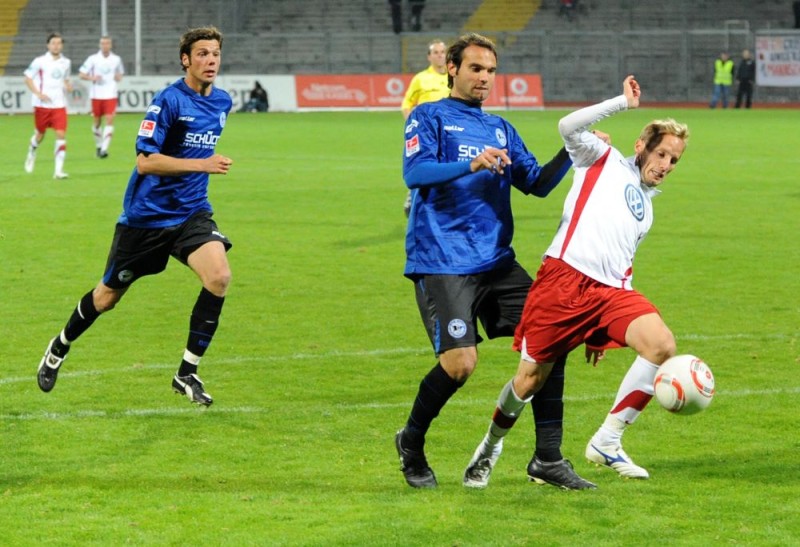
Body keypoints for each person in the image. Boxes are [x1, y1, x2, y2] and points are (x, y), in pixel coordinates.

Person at [464, 75, 690, 489]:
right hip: (563, 282)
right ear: (640, 146)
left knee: (662, 345)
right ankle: (491, 445)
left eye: (674, 160)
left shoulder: (646, 206)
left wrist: (598, 332)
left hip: (608, 294)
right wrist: (622, 103)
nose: (665, 165)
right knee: (530, 379)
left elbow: (623, 262)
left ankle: (608, 439)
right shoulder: (600, 158)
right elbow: (568, 126)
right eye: (661, 153)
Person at [394, 32, 581, 489]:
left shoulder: (500, 127)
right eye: (476, 68)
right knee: (460, 364)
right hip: (443, 259)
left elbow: (534, 183)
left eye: (491, 71)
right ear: (452, 69)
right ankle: (411, 443)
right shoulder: (429, 115)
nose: (484, 78)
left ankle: (548, 458)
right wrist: (471, 164)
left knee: (549, 341)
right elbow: (415, 173)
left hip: (496, 261)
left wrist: (573, 152)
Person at [36, 26, 234, 407]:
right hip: (147, 218)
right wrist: (203, 163)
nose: (211, 61)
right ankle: (59, 345)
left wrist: (199, 170)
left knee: (219, 276)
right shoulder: (168, 101)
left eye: (216, 54)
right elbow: (145, 163)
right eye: (203, 54)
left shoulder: (222, 102)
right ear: (186, 60)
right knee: (107, 297)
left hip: (191, 213)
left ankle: (186, 372)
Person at [401, 39, 449, 217]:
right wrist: (412, 126)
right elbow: (407, 103)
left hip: (449, 131)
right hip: (426, 131)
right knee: (423, 163)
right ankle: (412, 195)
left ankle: (441, 204)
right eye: (436, 52)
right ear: (429, 57)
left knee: (446, 165)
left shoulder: (454, 78)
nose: (440, 55)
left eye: (443, 52)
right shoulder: (421, 79)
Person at [23, 32, 72, 179]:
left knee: (61, 134)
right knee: (40, 135)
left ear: (61, 45)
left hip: (59, 104)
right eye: (53, 43)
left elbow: (65, 79)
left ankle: (58, 171)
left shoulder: (66, 62)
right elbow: (27, 78)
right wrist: (38, 93)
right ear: (48, 45)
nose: (56, 46)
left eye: (59, 43)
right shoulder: (40, 61)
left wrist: (68, 85)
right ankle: (32, 150)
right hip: (42, 105)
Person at [79, 35, 125, 158]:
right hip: (96, 94)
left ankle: (104, 149)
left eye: (107, 43)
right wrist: (91, 78)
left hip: (110, 94)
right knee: (97, 123)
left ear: (110, 45)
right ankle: (99, 145)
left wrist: (118, 77)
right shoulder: (93, 59)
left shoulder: (116, 59)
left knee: (109, 119)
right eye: (103, 43)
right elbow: (81, 74)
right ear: (100, 45)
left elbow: (120, 74)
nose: (105, 45)